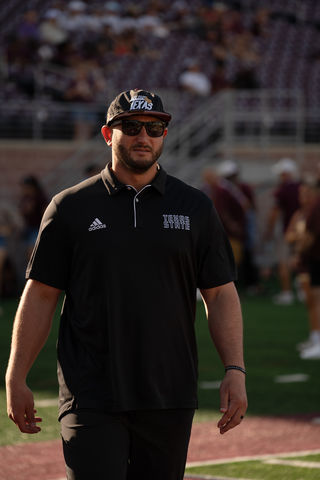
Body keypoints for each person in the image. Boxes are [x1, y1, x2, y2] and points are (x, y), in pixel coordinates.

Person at [6, 89, 247, 480]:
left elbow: (219, 295)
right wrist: (16, 376)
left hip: (169, 394)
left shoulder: (195, 207)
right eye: (131, 126)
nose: (143, 136)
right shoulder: (69, 207)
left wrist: (235, 368)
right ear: (107, 134)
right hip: (91, 395)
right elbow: (41, 295)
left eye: (155, 128)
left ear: (164, 135)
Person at [265, 158, 300, 305]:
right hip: (302, 230)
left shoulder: (283, 190)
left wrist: (269, 231)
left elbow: (275, 212)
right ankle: (303, 290)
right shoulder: (302, 186)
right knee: (299, 261)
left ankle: (287, 293)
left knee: (283, 262)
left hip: (288, 230)